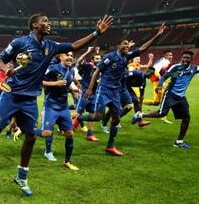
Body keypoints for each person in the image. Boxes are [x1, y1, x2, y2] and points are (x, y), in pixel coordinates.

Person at [0, 13, 113, 196]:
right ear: (34, 25)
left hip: (30, 99)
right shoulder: (19, 42)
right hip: (12, 95)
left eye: (48, 21)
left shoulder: (50, 46)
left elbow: (74, 45)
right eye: (45, 21)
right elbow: (0, 60)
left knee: (31, 137)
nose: (49, 24)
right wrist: (5, 68)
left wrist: (96, 33)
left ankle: (22, 176)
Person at [73, 23, 166, 156]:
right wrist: (90, 88)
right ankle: (78, 118)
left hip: (115, 92)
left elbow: (143, 49)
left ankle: (110, 146)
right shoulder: (110, 57)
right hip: (104, 89)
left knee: (116, 119)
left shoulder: (126, 57)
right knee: (97, 117)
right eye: (125, 44)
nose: (127, 47)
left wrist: (157, 35)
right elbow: (97, 71)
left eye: (128, 46)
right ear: (119, 46)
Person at [132, 47, 199, 149]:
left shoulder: (194, 68)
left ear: (191, 59)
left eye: (187, 58)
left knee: (186, 118)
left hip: (181, 97)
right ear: (182, 58)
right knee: (161, 113)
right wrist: (159, 86)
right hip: (170, 94)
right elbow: (164, 76)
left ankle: (179, 142)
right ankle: (140, 115)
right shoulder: (176, 67)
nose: (185, 59)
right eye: (184, 57)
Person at [40, 52, 79, 170]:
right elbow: (40, 82)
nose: (70, 57)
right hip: (51, 106)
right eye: (67, 55)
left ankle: (67, 161)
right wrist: (55, 83)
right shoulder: (53, 68)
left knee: (70, 133)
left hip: (63, 107)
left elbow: (67, 83)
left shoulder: (71, 70)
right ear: (60, 57)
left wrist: (74, 89)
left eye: (71, 56)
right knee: (48, 132)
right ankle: (48, 152)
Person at [74, 47, 101, 140]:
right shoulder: (87, 66)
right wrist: (88, 51)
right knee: (78, 113)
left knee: (92, 114)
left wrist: (97, 53)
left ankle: (90, 134)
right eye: (97, 58)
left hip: (94, 94)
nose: (99, 60)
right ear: (92, 60)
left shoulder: (100, 68)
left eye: (99, 58)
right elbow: (79, 61)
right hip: (85, 93)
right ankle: (68, 127)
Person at [144, 50, 174, 124]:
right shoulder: (164, 62)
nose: (171, 56)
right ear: (165, 56)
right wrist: (162, 82)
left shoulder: (165, 62)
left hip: (160, 82)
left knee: (156, 102)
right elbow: (156, 71)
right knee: (166, 99)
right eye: (169, 55)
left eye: (171, 55)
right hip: (158, 83)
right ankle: (163, 118)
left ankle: (140, 102)